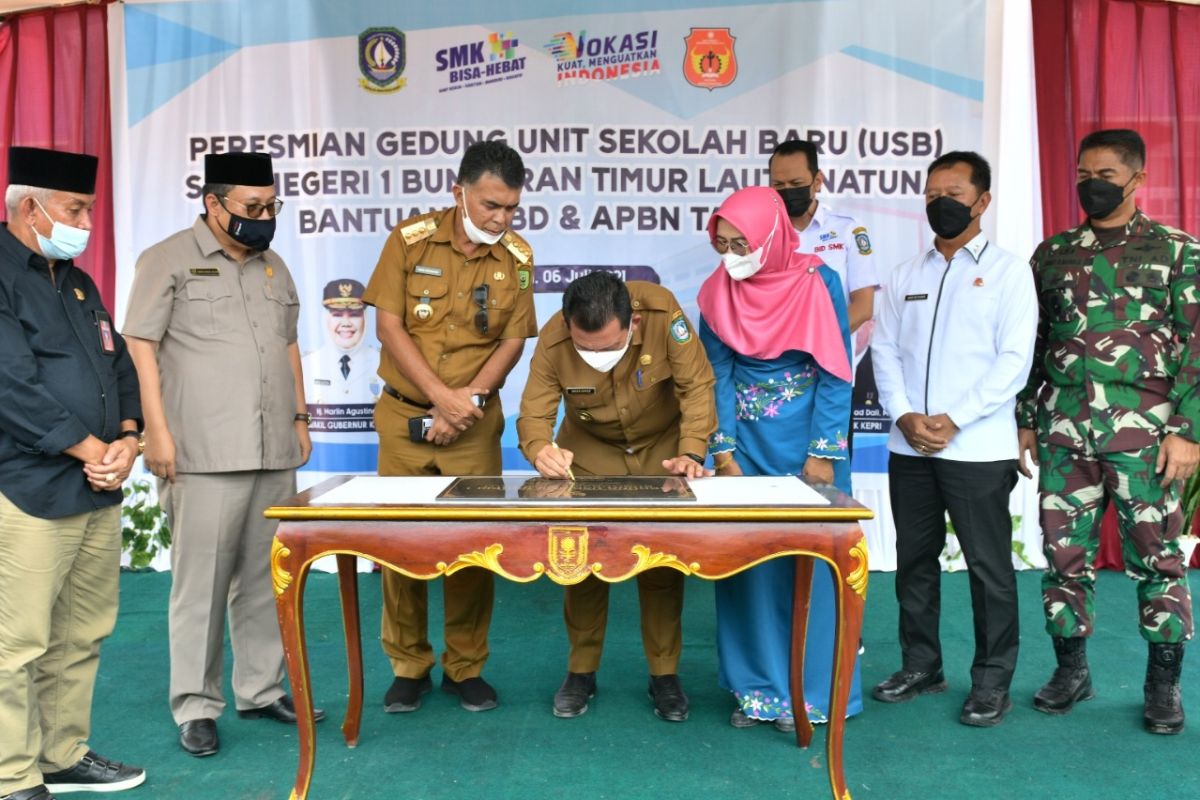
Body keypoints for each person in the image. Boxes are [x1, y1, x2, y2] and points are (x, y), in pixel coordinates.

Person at [123, 151, 320, 758]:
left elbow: (288, 345)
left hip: (272, 449)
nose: (264, 217)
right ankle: (196, 705)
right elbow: (140, 346)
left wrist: (300, 416)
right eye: (252, 208)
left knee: (267, 579)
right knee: (200, 585)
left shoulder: (275, 267)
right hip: (203, 452)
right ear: (214, 204)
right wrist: (155, 432)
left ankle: (259, 690)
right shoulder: (166, 260)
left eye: (272, 206)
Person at [1017, 129, 1200, 734]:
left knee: (1159, 558)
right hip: (1067, 430)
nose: (1090, 184)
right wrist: (1026, 416)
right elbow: (1034, 343)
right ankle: (1072, 670)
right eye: (1082, 172)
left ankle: (1163, 685)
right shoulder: (1053, 254)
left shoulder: (1178, 251)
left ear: (1136, 179)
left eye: (1104, 174)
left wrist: (1188, 430)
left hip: (1147, 435)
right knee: (1064, 556)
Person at [363, 139, 537, 715]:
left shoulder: (517, 256)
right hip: (406, 413)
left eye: (511, 208)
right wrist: (441, 399)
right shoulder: (409, 241)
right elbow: (390, 327)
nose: (501, 218)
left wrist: (470, 401)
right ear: (458, 191)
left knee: (471, 546)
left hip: (473, 424)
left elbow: (512, 340)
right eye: (491, 205)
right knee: (400, 545)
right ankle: (408, 664)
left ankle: (466, 666)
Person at [870, 151, 1037, 727]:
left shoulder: (1011, 273)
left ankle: (992, 681)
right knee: (915, 561)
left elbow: (1015, 361)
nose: (942, 202)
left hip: (977, 448)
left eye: (956, 192)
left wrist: (953, 418)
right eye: (933, 192)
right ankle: (922, 665)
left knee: (989, 569)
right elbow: (884, 351)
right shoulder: (903, 275)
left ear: (982, 202)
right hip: (909, 446)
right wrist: (905, 416)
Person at [0, 146, 145, 798]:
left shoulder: (78, 281)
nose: (86, 221)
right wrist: (93, 450)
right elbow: (12, 386)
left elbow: (118, 367)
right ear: (30, 208)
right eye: (75, 208)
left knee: (82, 633)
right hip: (29, 487)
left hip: (96, 486)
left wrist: (130, 440)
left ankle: (61, 755)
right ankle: (11, 774)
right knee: (19, 643)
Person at [697, 185, 862, 731]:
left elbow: (838, 371)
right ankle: (756, 691)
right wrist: (722, 453)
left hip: (808, 446)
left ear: (769, 236)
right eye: (721, 243)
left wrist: (822, 454)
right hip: (743, 445)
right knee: (746, 567)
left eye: (740, 242)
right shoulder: (716, 292)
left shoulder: (819, 282)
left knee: (810, 569)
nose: (731, 255)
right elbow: (715, 376)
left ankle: (811, 695)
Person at [517, 270, 717, 722]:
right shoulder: (554, 338)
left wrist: (691, 452)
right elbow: (533, 411)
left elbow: (697, 386)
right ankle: (581, 671)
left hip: (662, 453)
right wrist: (539, 450)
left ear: (634, 323)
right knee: (581, 563)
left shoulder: (663, 314)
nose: (596, 356)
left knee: (661, 566)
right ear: (569, 325)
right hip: (588, 454)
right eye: (585, 348)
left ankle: (664, 675)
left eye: (608, 347)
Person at [768, 138, 878, 333]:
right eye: (778, 184)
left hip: (831, 358)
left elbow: (863, 307)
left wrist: (818, 341)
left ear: (817, 181)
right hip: (777, 360)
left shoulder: (848, 230)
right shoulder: (762, 234)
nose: (788, 191)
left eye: (796, 183)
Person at [301, 279, 381, 438]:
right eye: (337, 314)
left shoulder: (385, 364)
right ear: (325, 318)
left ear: (365, 317)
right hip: (319, 456)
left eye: (354, 314)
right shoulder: (305, 365)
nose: (345, 323)